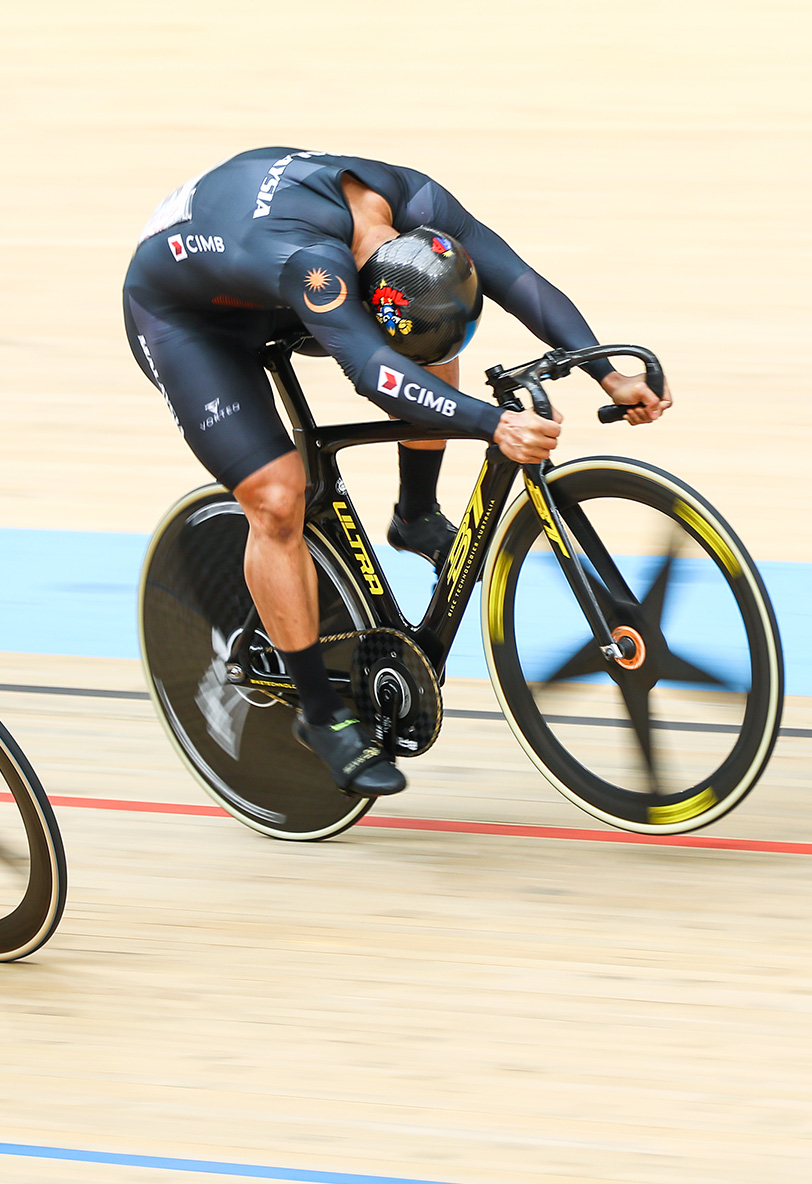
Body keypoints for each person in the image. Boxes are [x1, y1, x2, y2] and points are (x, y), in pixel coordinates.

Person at [123, 148, 670, 796]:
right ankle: (323, 720)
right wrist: (493, 424)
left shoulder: (416, 203)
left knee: (433, 342)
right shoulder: (313, 265)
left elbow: (517, 278)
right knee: (276, 497)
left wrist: (606, 371)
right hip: (185, 315)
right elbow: (375, 375)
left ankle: (415, 514)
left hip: (261, 275)